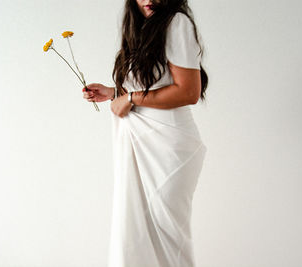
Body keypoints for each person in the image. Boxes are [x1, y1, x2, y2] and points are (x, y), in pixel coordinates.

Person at [82, 0, 208, 266]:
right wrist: (114, 93)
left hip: (168, 150)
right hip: (142, 143)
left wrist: (130, 99)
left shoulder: (177, 23)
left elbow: (189, 91)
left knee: (168, 237)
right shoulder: (142, 27)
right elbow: (155, 86)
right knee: (136, 235)